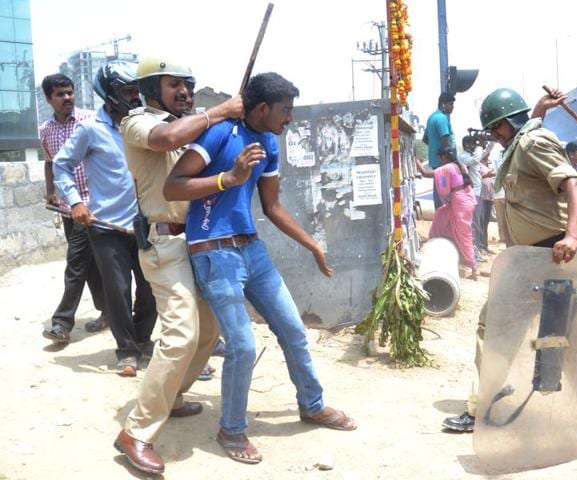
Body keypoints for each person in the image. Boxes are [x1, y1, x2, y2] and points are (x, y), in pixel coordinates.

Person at [164, 72, 357, 464]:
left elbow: (272, 207)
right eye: (285, 111)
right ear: (264, 108)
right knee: (242, 344)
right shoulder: (219, 135)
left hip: (252, 250)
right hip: (213, 253)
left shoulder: (268, 142)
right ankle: (231, 429)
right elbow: (174, 186)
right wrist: (227, 178)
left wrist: (312, 244)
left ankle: (312, 404)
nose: (290, 119)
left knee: (293, 329)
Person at [441, 88, 577, 443]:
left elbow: (574, 184)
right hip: (526, 260)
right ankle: (479, 408)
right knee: (492, 327)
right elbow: (526, 131)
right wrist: (538, 109)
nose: (494, 136)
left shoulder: (533, 142)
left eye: (496, 129)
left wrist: (571, 236)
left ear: (509, 124)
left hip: (560, 254)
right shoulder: (519, 142)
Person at [113, 57, 244, 475]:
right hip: (163, 243)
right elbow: (165, 139)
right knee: (181, 333)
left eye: (188, 83)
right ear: (151, 89)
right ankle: (136, 431)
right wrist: (221, 109)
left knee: (209, 330)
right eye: (174, 85)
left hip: (195, 241)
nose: (185, 91)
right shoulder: (137, 121)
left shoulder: (191, 126)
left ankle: (170, 397)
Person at [53, 61, 157, 376]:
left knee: (151, 289)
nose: (135, 97)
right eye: (128, 91)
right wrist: (75, 202)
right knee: (117, 290)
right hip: (106, 227)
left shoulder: (145, 125)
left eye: (137, 90)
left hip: (147, 225)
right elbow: (61, 165)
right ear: (111, 93)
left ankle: (142, 340)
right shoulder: (90, 129)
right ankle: (126, 350)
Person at [40, 73, 108, 343]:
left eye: (69, 92)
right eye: (60, 94)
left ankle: (62, 323)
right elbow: (50, 163)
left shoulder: (91, 120)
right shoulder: (45, 130)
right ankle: (109, 313)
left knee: (76, 262)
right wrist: (50, 193)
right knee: (90, 266)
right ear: (49, 99)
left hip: (95, 204)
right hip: (69, 208)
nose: (67, 97)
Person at [425, 147, 478, 279]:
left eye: (440, 158)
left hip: (460, 203)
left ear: (444, 157)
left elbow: (426, 173)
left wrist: (415, 161)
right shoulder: (460, 166)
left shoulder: (448, 168)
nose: (440, 161)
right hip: (464, 199)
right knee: (441, 216)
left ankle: (473, 268)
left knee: (463, 233)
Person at [417, 92, 456, 209]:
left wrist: (435, 148)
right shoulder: (442, 118)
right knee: (445, 198)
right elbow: (445, 142)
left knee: (438, 193)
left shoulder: (431, 118)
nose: (453, 107)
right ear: (443, 104)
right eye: (451, 104)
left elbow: (425, 139)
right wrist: (450, 160)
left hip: (435, 162)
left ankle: (440, 220)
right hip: (443, 163)